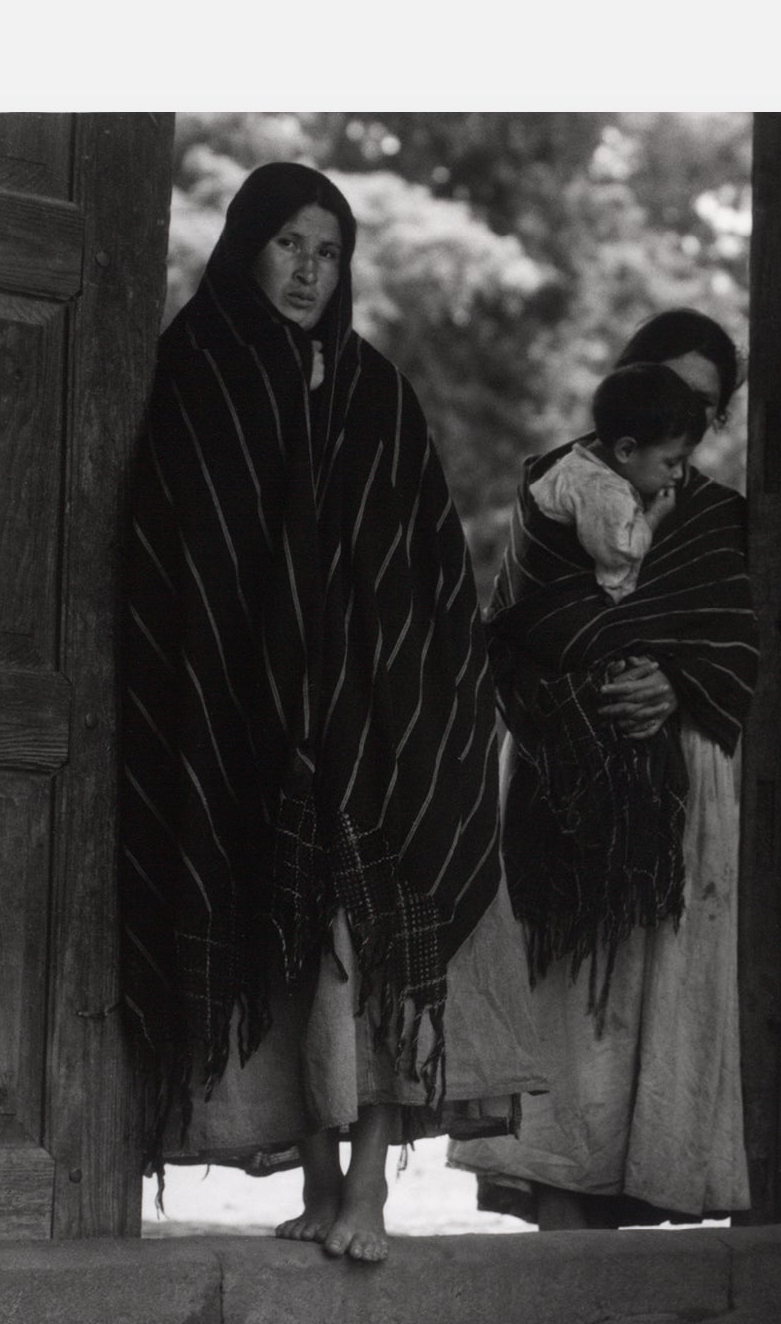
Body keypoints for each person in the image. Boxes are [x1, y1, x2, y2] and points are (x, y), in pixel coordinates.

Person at [119, 161, 538, 1263]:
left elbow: (426, 558)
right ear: (246, 244)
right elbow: (180, 555)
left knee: (374, 948)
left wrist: (398, 687)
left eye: (329, 250)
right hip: (245, 714)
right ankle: (312, 1176)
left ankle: (366, 1193)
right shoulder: (195, 370)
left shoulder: (370, 386)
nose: (309, 271)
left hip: (379, 719)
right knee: (293, 947)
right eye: (289, 243)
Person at [450, 309, 758, 1227]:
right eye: (670, 389)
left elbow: (735, 644)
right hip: (563, 773)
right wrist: (586, 687)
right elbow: (516, 626)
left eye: (706, 404)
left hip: (677, 791)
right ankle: (557, 1230)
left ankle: (630, 1233)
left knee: (655, 1014)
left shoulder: (715, 520)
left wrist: (677, 683)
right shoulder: (555, 489)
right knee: (567, 1006)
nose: (688, 415)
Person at [524, 361, 709, 603]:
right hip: (564, 604)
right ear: (626, 450)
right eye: (671, 463)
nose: (678, 475)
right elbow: (621, 553)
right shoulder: (604, 491)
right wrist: (654, 516)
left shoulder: (578, 461)